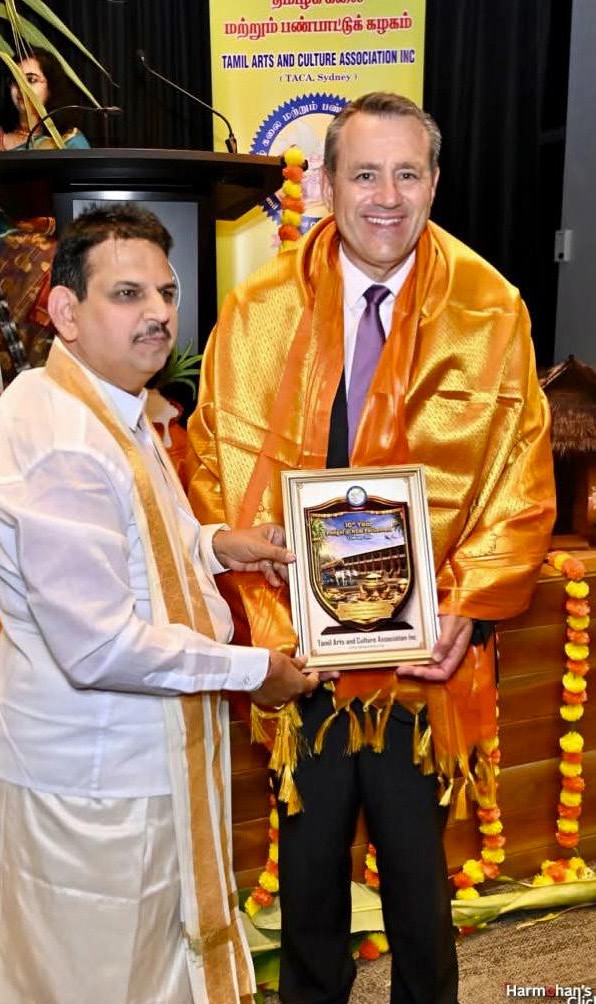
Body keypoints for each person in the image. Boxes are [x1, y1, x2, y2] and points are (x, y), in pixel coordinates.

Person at [186, 92, 556, 1004]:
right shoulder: (261, 308)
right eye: (364, 174)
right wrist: (270, 623)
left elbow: (521, 477)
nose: (386, 197)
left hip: (425, 660)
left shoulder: (489, 309)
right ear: (325, 183)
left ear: (434, 181)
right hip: (301, 648)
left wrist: (466, 609)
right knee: (308, 876)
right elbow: (213, 461)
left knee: (419, 883)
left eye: (406, 174)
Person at [0, 204, 317, 1004]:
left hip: (133, 765)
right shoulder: (64, 438)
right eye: (127, 294)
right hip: (90, 787)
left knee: (149, 964)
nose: (157, 312)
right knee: (94, 979)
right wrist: (254, 670)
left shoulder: (105, 403)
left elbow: (140, 547)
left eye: (166, 291)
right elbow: (99, 646)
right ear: (65, 311)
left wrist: (219, 545)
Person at [0, 49, 90, 379]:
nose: (21, 88)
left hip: (54, 249)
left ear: (50, 87)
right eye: (15, 81)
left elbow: (86, 207)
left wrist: (49, 224)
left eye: (32, 79)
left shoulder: (69, 142)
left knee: (48, 255)